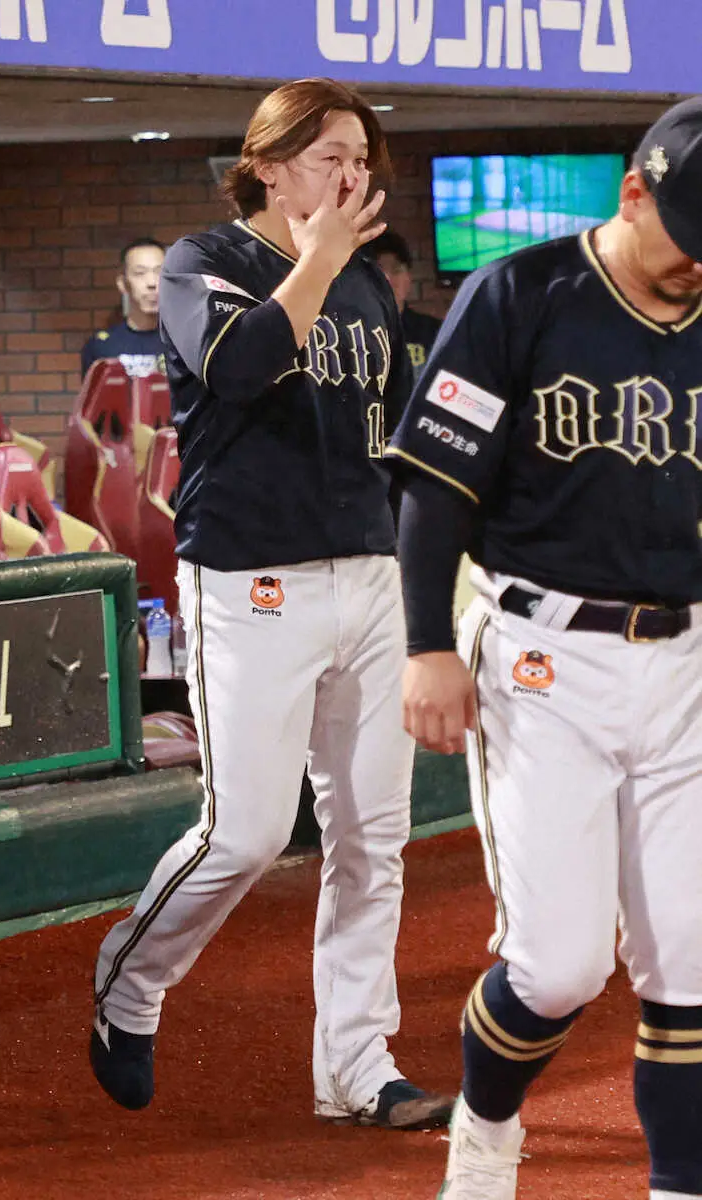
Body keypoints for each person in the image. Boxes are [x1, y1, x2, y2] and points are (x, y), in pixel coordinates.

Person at [89, 76, 452, 1132]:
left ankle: (358, 1067)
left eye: (361, 161)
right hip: (250, 582)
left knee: (372, 836)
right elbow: (242, 370)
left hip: (366, 576)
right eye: (333, 155)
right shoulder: (205, 264)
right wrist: (323, 260)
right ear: (271, 166)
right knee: (244, 834)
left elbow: (382, 433)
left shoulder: (363, 292)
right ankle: (132, 976)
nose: (353, 177)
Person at [386, 96, 702, 1198]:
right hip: (543, 660)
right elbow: (433, 486)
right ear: (634, 189)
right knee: (560, 966)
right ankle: (485, 1130)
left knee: (693, 965)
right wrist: (427, 644)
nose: (698, 265)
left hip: (690, 666)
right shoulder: (521, 294)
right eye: (690, 234)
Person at [80, 237, 166, 379]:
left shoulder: (186, 345)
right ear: (123, 284)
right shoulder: (101, 346)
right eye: (140, 273)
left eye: (160, 272)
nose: (152, 283)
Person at [366, 229, 441, 384]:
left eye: (396, 270)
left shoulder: (434, 332)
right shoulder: (351, 333)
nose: (388, 279)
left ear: (409, 278)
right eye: (379, 271)